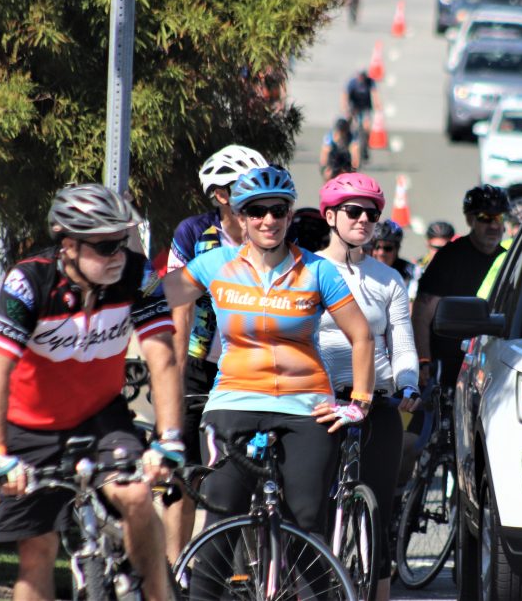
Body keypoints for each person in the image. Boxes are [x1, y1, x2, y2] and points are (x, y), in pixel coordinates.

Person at [0, 184, 183, 601]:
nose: (118, 256)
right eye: (106, 246)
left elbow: (162, 358)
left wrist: (170, 440)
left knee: (138, 494)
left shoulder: (138, 275)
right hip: (29, 425)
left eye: (122, 242)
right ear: (69, 246)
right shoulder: (29, 282)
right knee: (37, 554)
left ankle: (159, 594)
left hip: (101, 414)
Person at [162, 166, 376, 557]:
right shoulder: (216, 265)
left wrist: (359, 403)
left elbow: (361, 336)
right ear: (241, 218)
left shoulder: (316, 270)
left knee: (306, 525)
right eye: (257, 211)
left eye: (278, 210)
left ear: (290, 215)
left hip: (306, 405)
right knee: (220, 522)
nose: (268, 220)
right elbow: (157, 300)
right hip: (234, 402)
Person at [316, 173, 421, 601]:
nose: (364, 220)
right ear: (330, 216)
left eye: (372, 215)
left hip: (375, 402)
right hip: (320, 401)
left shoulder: (388, 279)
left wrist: (409, 382)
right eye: (353, 212)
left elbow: (403, 342)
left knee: (378, 512)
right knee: (311, 509)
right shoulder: (308, 269)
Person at [162, 144, 268, 563]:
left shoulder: (273, 228)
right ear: (222, 195)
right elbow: (179, 304)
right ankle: (174, 568)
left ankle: (229, 566)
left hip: (252, 365)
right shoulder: (193, 232)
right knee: (183, 472)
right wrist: (174, 371)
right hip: (199, 363)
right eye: (244, 186)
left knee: (242, 471)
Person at [412, 185, 510, 389]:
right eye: (485, 217)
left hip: (496, 360)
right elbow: (422, 314)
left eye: (498, 218)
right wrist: (423, 361)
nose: (493, 225)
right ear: (469, 220)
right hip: (449, 363)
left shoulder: (509, 260)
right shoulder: (448, 257)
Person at [341, 70, 382, 154]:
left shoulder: (370, 82)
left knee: (367, 125)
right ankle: (345, 139)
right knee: (348, 120)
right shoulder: (352, 82)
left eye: (362, 77)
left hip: (366, 106)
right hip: (354, 106)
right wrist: (344, 106)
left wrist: (377, 104)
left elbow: (374, 94)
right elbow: (345, 94)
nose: (361, 79)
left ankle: (366, 144)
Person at [371, 219, 418, 290]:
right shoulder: (359, 269)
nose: (381, 253)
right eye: (376, 247)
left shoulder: (411, 272)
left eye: (388, 248)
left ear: (397, 249)